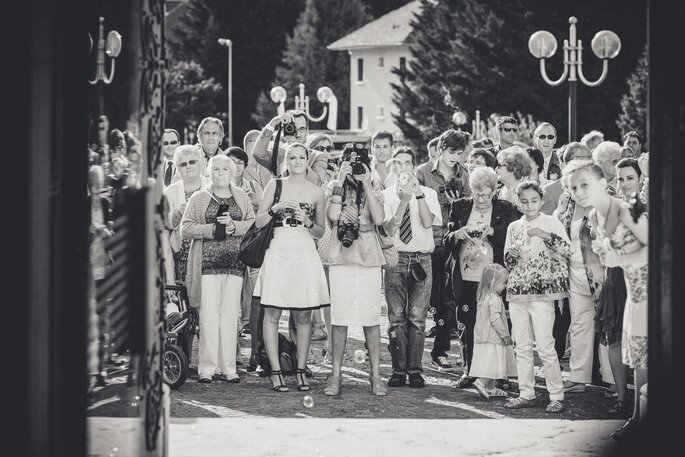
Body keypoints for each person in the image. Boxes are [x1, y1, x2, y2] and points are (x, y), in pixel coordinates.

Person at [569, 160, 648, 440]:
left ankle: (644, 419)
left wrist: (617, 257)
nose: (625, 183)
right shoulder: (603, 214)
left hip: (644, 291)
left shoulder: (632, 211)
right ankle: (634, 413)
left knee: (643, 355)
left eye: (631, 177)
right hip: (624, 286)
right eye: (621, 178)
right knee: (629, 350)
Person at [252, 143, 329, 392]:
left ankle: (300, 370)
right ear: (287, 161)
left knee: (304, 315)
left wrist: (306, 219)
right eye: (292, 157)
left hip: (305, 252)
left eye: (301, 157)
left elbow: (320, 231)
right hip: (278, 250)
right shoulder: (275, 185)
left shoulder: (317, 192)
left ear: (308, 160)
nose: (297, 161)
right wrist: (275, 209)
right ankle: (275, 370)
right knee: (272, 312)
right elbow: (259, 220)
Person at [181, 155, 255, 383]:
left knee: (230, 316)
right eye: (216, 169)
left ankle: (229, 367)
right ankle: (207, 367)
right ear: (209, 172)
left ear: (232, 172)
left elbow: (253, 224)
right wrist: (211, 230)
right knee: (208, 316)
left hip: (234, 266)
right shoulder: (200, 197)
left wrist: (235, 226)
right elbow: (185, 228)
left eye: (225, 169)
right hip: (206, 266)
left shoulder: (241, 196)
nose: (221, 173)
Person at [444, 167, 520, 388]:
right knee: (467, 325)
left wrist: (493, 233)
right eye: (478, 194)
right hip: (465, 275)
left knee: (496, 324)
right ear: (472, 190)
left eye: (488, 195)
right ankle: (470, 371)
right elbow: (446, 240)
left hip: (494, 278)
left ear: (494, 191)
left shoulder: (505, 208)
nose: (483, 199)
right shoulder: (460, 207)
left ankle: (500, 374)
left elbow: (513, 238)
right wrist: (457, 234)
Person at [323, 145, 387, 396]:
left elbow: (379, 218)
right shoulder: (334, 186)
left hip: (369, 257)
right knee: (339, 319)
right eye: (350, 162)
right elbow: (332, 216)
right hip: (342, 256)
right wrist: (340, 181)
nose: (355, 167)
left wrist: (368, 184)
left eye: (359, 162)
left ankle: (376, 375)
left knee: (371, 320)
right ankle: (335, 375)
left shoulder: (375, 186)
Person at [503, 181, 571, 413]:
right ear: (518, 202)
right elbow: (508, 262)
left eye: (534, 201)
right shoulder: (514, 226)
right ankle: (526, 392)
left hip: (543, 293)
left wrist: (545, 235)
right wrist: (510, 255)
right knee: (521, 346)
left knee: (545, 345)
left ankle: (556, 394)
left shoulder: (551, 222)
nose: (529, 206)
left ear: (541, 200)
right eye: (524, 201)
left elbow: (567, 249)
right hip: (517, 292)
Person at [382, 146, 442, 388]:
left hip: (421, 259)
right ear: (394, 168)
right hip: (395, 258)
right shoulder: (387, 194)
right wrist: (402, 201)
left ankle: (415, 370)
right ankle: (398, 370)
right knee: (396, 317)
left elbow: (428, 224)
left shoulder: (428, 193)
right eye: (399, 164)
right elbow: (388, 229)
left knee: (417, 317)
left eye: (408, 163)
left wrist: (417, 195)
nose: (404, 168)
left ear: (414, 167)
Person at [415, 129, 471, 370]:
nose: (455, 157)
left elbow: (469, 210)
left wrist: (455, 204)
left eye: (459, 153)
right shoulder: (423, 172)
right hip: (428, 242)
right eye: (451, 152)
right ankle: (414, 349)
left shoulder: (464, 175)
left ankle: (440, 351)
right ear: (440, 149)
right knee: (430, 297)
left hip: (453, 242)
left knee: (449, 298)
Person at [555, 161, 608, 394]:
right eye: (571, 185)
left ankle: (611, 380)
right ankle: (578, 377)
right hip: (573, 272)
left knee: (607, 326)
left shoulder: (601, 203)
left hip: (599, 273)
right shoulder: (566, 204)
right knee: (578, 325)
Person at [163, 145, 207, 364]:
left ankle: (210, 361)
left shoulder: (211, 185)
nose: (188, 167)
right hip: (182, 255)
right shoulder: (170, 192)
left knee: (208, 307)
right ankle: (186, 359)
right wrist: (176, 215)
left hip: (208, 254)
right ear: (177, 168)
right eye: (183, 163)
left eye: (192, 162)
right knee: (186, 309)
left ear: (200, 162)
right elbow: (164, 226)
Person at [470, 264, 517, 399]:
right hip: (494, 338)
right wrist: (505, 335)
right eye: (503, 282)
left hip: (482, 337)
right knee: (493, 366)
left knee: (488, 363)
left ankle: (490, 388)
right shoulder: (495, 299)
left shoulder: (484, 297)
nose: (505, 286)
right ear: (493, 282)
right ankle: (481, 382)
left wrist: (505, 313)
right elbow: (495, 319)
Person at [251, 110, 328, 185]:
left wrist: (297, 150)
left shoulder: (318, 156)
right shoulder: (278, 154)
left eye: (301, 129)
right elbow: (257, 154)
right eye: (293, 129)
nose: (297, 134)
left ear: (307, 130)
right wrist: (273, 123)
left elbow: (317, 183)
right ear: (285, 130)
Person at [541, 142, 592, 216]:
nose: (590, 162)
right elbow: (546, 224)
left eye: (591, 157)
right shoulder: (550, 191)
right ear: (571, 161)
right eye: (586, 158)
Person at [226, 146, 263, 213]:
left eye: (240, 163)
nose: (236, 166)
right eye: (232, 162)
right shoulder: (218, 187)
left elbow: (264, 213)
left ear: (245, 166)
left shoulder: (254, 186)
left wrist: (256, 204)